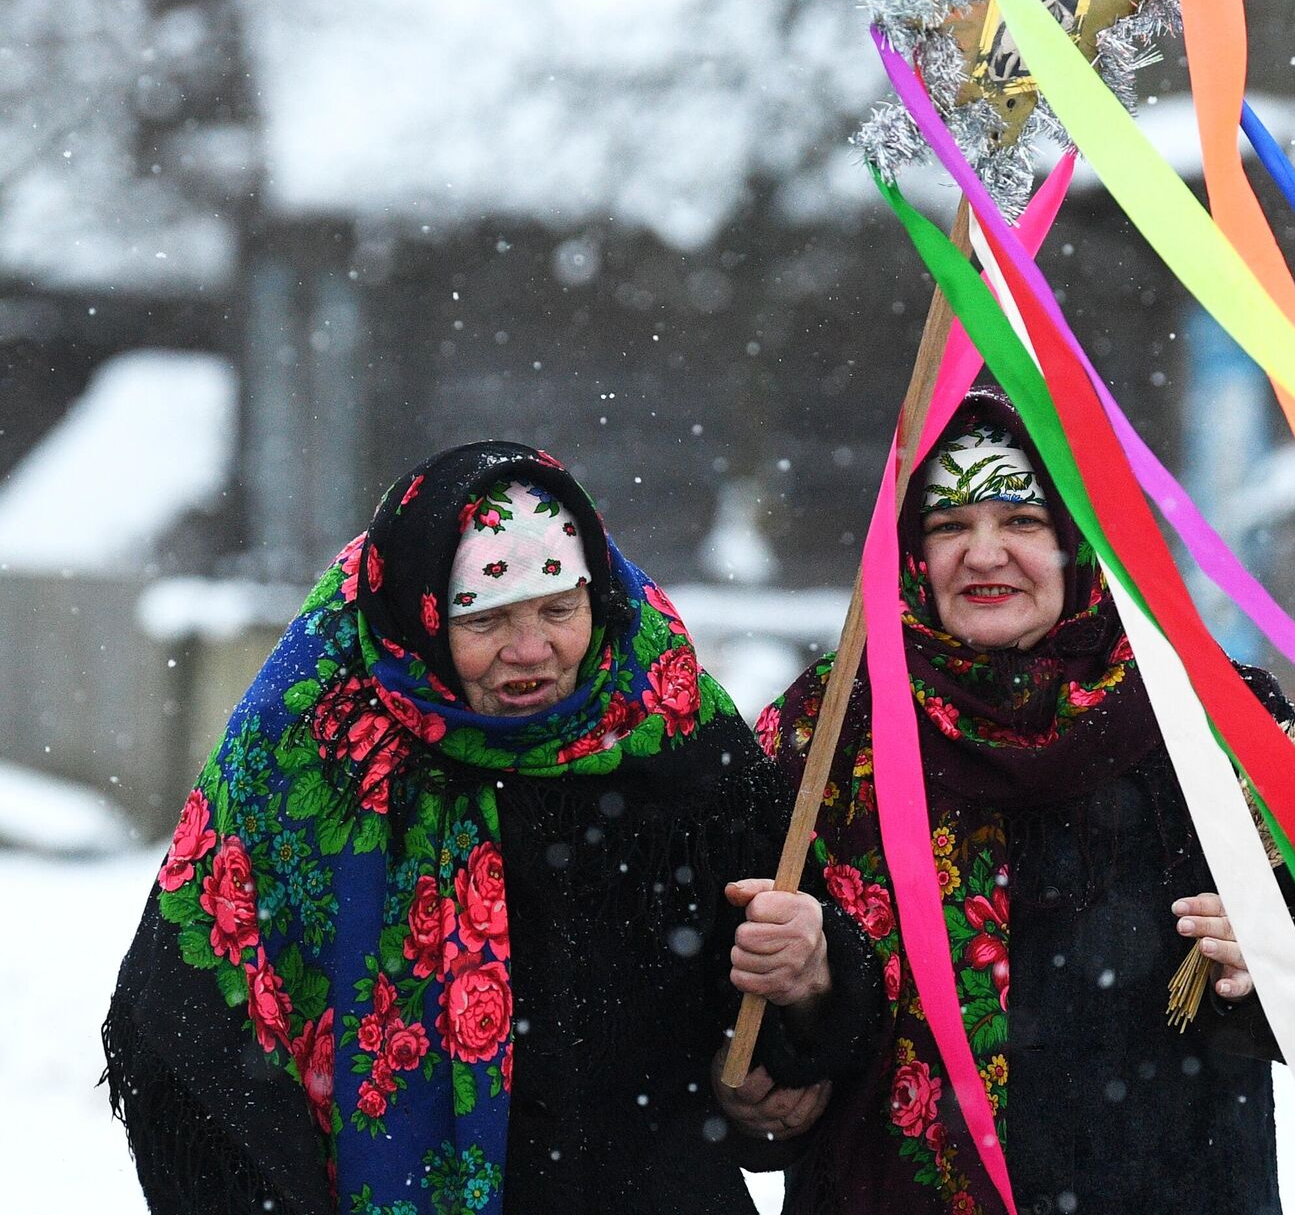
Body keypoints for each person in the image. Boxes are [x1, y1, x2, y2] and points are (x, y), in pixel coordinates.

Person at [102, 441, 879, 1215]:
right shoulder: (314, 751)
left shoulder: (666, 731)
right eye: (487, 617)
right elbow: (190, 1035)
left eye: (558, 609)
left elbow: (776, 1027)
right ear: (421, 615)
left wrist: (806, 996)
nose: (532, 650)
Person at [746, 391, 1295, 1215]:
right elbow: (754, 1021)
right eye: (949, 526)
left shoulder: (1205, 713)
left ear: (1076, 534)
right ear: (910, 550)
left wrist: (1285, 949)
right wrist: (800, 1002)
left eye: (1021, 519)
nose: (983, 554)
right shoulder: (829, 728)